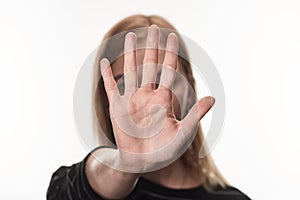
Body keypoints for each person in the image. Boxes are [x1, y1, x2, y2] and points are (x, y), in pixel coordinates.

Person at [47, 14, 250, 200]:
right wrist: (126, 166)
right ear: (107, 101)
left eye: (161, 78)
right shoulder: (73, 188)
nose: (146, 98)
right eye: (126, 84)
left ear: (190, 91)